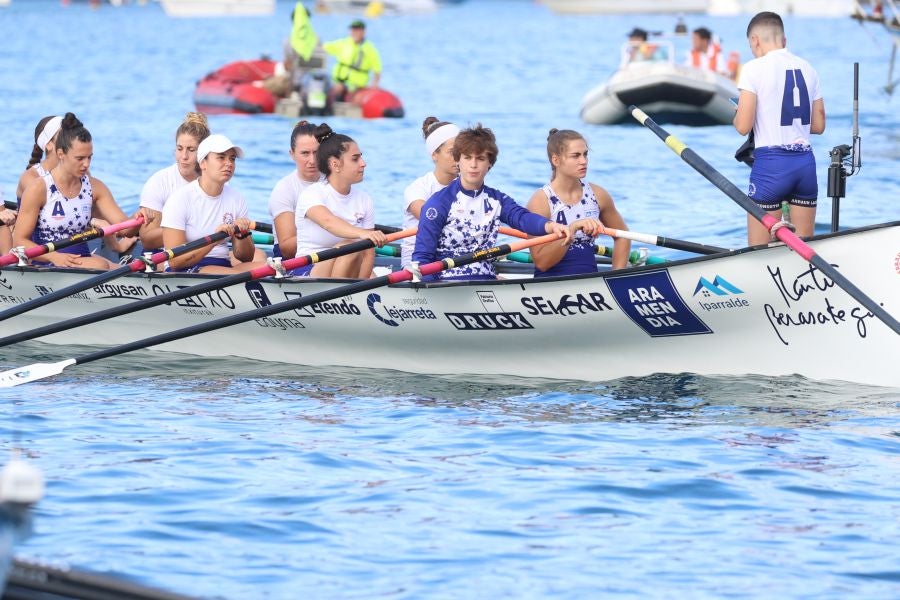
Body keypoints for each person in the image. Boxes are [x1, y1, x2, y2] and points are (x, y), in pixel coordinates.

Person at [411, 124, 571, 281]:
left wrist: (550, 226)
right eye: (467, 158)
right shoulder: (438, 203)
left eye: (480, 158)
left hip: (485, 279)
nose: (473, 165)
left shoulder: (497, 200)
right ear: (458, 161)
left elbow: (522, 218)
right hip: (447, 283)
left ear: (490, 164)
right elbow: (422, 258)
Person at [733, 11, 826, 246]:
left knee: (759, 252)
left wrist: (738, 115)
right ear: (784, 40)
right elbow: (818, 125)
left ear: (755, 40)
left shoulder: (753, 69)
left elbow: (743, 127)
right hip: (805, 164)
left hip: (772, 166)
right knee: (804, 248)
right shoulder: (809, 69)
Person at [14, 113, 138, 269]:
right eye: (80, 158)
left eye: (89, 158)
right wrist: (54, 257)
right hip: (45, 261)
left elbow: (125, 228)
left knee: (125, 269)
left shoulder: (95, 186)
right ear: (61, 154)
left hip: (81, 258)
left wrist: (140, 216)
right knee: (100, 265)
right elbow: (19, 241)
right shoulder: (37, 187)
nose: (86, 164)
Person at [526, 129, 631, 276]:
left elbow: (623, 236)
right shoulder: (540, 201)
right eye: (575, 156)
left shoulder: (598, 195)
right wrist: (572, 229)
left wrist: (617, 276)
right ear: (556, 160)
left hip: (591, 283)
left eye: (585, 154)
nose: (583, 161)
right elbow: (542, 262)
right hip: (550, 285)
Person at [290, 123, 387, 278]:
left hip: (349, 265)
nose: (363, 163)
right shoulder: (312, 194)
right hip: (307, 268)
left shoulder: (364, 200)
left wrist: (363, 285)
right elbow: (329, 222)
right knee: (350, 246)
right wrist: (362, 234)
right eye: (355, 159)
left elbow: (369, 253)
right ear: (335, 165)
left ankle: (350, 295)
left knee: (360, 257)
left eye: (361, 157)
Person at [160, 134, 265, 274]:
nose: (229, 163)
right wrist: (213, 240)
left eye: (232, 159)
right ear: (203, 163)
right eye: (221, 157)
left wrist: (242, 235)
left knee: (268, 267)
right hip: (183, 269)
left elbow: (246, 257)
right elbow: (175, 261)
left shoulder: (237, 199)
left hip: (221, 265)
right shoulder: (179, 199)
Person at [138, 112, 211, 254]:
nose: (183, 157)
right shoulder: (159, 182)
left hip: (207, 251)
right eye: (179, 149)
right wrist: (194, 229)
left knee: (258, 256)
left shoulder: (217, 182)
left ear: (204, 153)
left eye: (191, 150)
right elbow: (147, 240)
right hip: (163, 254)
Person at [401, 116, 460, 268]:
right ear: (434, 154)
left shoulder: (470, 186)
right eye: (452, 152)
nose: (459, 158)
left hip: (454, 259)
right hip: (418, 263)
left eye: (462, 151)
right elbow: (431, 218)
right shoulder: (418, 189)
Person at [267, 119, 325, 260]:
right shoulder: (284, 189)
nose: (312, 160)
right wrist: (332, 231)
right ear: (292, 154)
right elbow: (287, 249)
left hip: (330, 253)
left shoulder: (334, 182)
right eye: (305, 153)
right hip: (292, 261)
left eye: (316, 152)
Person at [323, 19, 382, 102]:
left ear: (363, 32)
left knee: (341, 90)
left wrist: (374, 86)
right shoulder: (343, 43)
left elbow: (377, 71)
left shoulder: (370, 49)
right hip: (339, 82)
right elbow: (325, 47)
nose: (354, 33)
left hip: (357, 86)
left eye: (357, 30)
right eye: (353, 30)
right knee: (328, 86)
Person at [15, 115, 63, 202]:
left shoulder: (80, 170)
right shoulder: (30, 178)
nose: (71, 140)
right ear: (48, 144)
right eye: (64, 136)